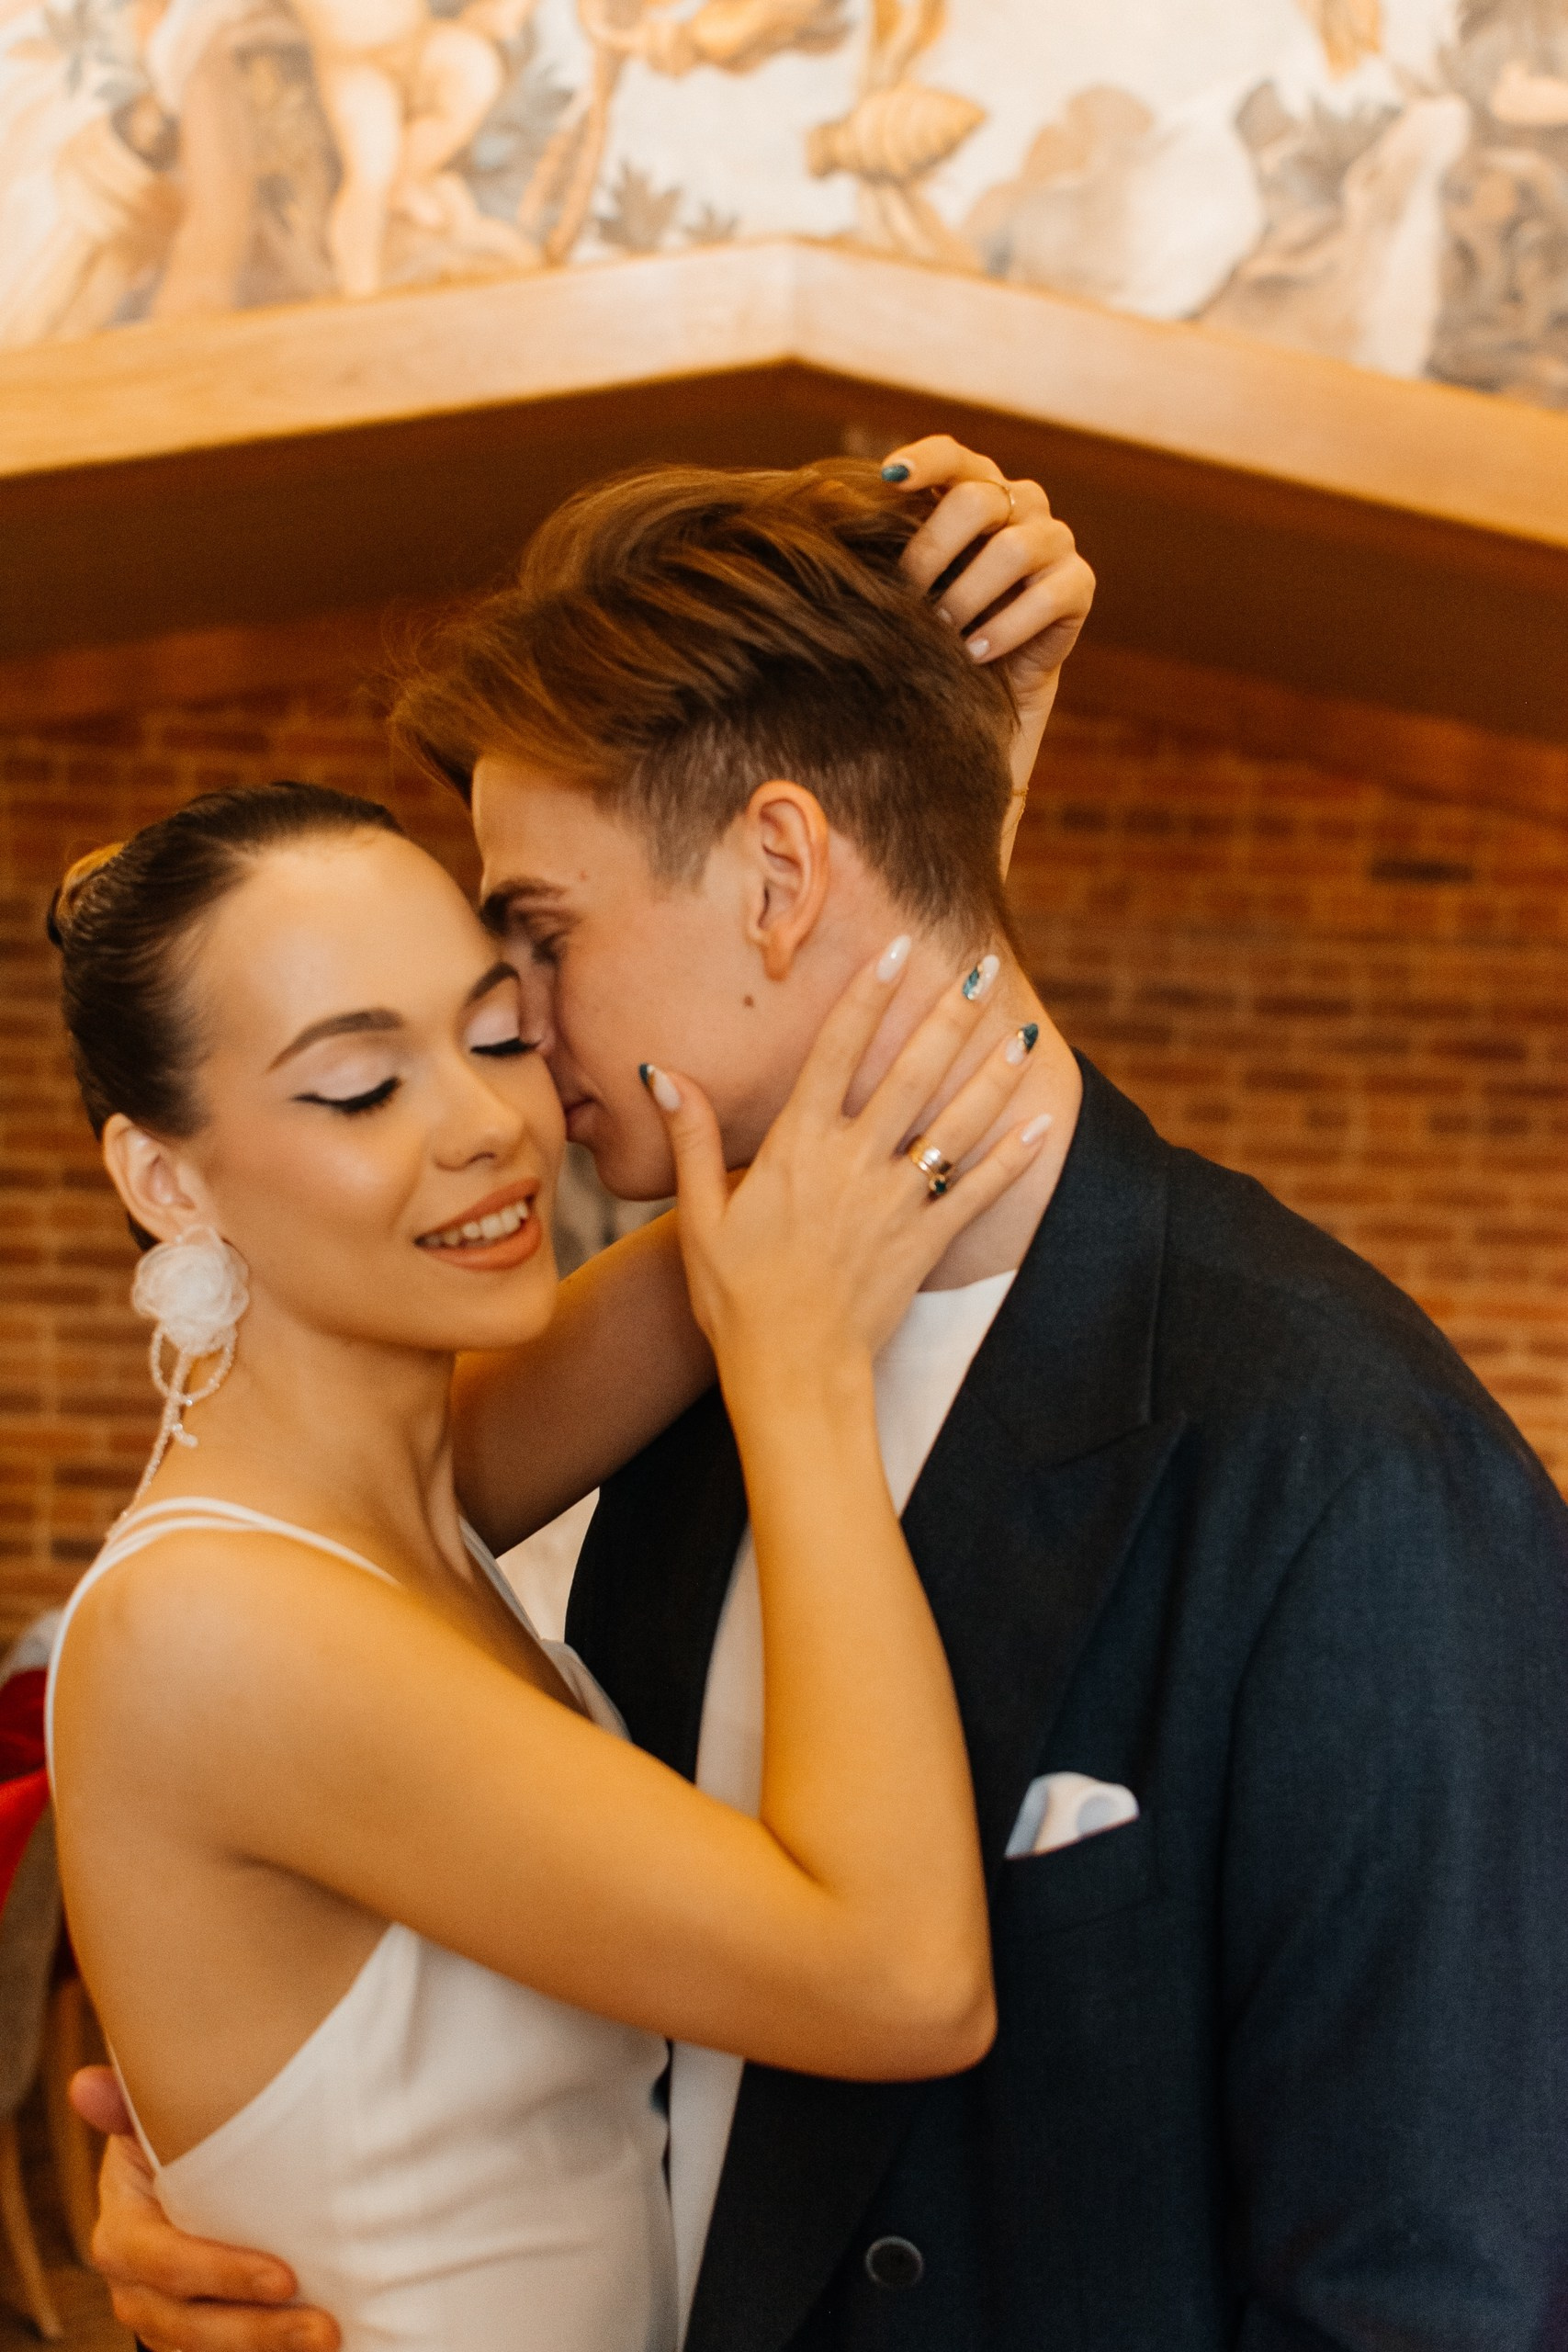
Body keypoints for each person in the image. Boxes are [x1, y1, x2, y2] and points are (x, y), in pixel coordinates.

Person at [86, 440, 1568, 2352]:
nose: (518, 1064)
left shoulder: (1351, 1472)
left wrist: (948, 802)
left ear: (780, 874)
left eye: (532, 953)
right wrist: (234, 2169)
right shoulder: (682, 1377)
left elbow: (1430, 2291)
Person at [46, 770, 1060, 2351]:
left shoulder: (412, 1488)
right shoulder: (214, 1626)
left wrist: (933, 771)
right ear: (167, 1180)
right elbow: (902, 1982)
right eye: (359, 1088)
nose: (488, 1126)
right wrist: (797, 1379)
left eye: (500, 1034)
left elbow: (855, 1097)